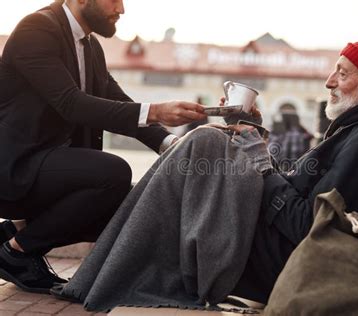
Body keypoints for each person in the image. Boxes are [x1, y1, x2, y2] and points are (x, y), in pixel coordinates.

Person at [55, 38, 358, 310]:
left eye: (343, 73)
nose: (329, 81)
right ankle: (109, 274)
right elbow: (293, 187)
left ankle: (108, 275)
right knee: (208, 145)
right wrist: (252, 132)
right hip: (275, 245)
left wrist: (257, 161)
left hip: (287, 263)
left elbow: (308, 227)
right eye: (334, 70)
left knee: (206, 143)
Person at [0, 0, 207, 294]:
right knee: (114, 173)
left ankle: (16, 235)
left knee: (128, 204)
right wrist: (157, 110)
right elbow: (71, 104)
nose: (121, 9)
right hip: (15, 167)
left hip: (48, 169)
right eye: (114, 0)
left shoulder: (90, 47)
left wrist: (171, 143)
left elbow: (118, 101)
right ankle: (16, 253)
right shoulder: (36, 29)